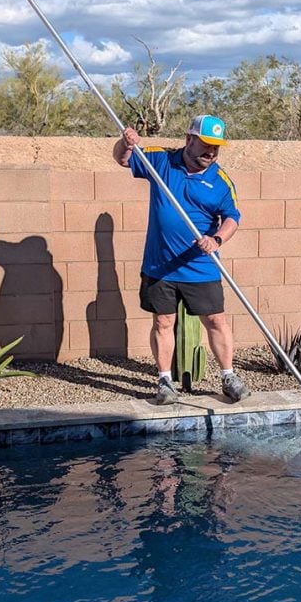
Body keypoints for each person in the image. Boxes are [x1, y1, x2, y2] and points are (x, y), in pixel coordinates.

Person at [113, 114, 250, 405]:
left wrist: (216, 240)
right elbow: (123, 159)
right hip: (160, 266)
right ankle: (165, 381)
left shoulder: (221, 181)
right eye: (205, 145)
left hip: (200, 266)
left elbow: (233, 218)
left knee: (215, 320)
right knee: (163, 322)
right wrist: (126, 144)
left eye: (216, 148)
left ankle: (228, 376)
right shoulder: (161, 161)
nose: (211, 153)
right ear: (189, 140)